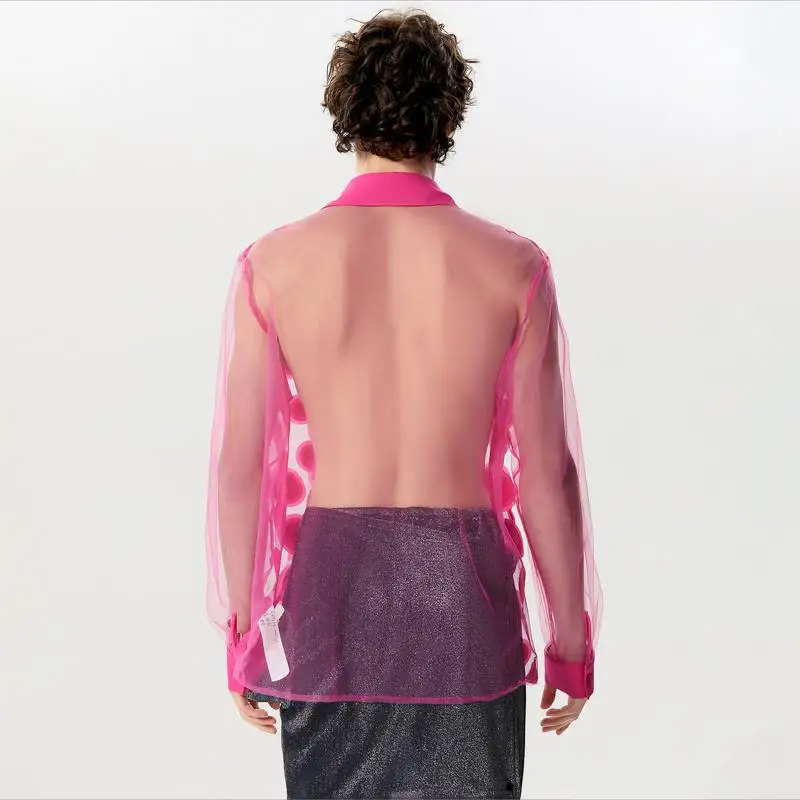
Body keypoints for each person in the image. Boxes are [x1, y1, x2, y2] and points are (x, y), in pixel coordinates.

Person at [205, 9, 602, 799]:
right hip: (463, 599)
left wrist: (244, 630)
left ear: (345, 111)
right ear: (448, 115)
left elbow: (241, 466)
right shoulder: (513, 265)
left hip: (331, 597)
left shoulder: (274, 264)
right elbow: (546, 475)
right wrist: (569, 643)